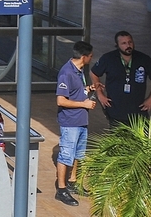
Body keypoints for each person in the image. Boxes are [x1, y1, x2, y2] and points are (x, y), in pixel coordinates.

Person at [90, 31, 151, 127]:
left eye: (130, 42)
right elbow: (94, 73)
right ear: (117, 45)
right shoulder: (108, 58)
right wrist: (100, 94)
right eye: (123, 43)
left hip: (138, 110)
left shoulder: (143, 59)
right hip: (115, 110)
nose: (128, 45)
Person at [55, 41, 96, 207]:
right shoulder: (66, 73)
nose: (92, 59)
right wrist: (84, 105)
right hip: (70, 122)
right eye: (91, 56)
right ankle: (61, 189)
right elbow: (61, 100)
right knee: (66, 154)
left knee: (78, 154)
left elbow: (76, 92)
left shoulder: (79, 71)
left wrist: (88, 89)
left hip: (81, 121)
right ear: (84, 57)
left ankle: (72, 181)